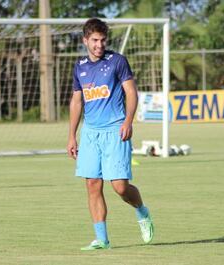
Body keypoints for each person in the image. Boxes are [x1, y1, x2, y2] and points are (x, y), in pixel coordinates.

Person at [67, 18, 154, 251]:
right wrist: (72, 135)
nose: (99, 44)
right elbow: (77, 101)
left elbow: (131, 92)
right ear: (85, 40)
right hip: (90, 134)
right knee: (93, 185)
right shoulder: (80, 67)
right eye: (95, 40)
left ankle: (142, 211)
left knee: (120, 187)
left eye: (103, 40)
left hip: (115, 130)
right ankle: (102, 239)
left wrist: (128, 121)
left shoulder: (117, 61)